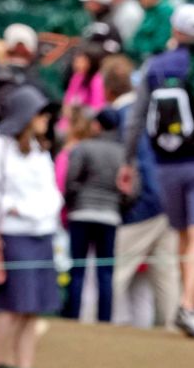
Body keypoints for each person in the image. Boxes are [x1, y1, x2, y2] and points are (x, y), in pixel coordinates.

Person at [118, 3, 194, 339]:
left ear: (175, 31)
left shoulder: (155, 66)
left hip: (165, 165)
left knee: (183, 236)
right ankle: (188, 305)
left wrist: (127, 161)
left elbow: (136, 117)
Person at [0, 85, 62, 368]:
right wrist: (11, 207)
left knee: (32, 310)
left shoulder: (39, 150)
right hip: (14, 235)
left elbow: (51, 189)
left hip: (42, 234)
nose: (46, 119)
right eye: (40, 113)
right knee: (12, 306)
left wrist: (48, 209)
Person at [104, 55, 178, 329]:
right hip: (169, 202)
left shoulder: (125, 116)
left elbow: (141, 164)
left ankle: (99, 326)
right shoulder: (149, 110)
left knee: (117, 271)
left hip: (145, 205)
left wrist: (140, 203)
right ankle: (171, 326)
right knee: (166, 271)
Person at [63, 108, 125, 323]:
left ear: (97, 125)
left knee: (78, 268)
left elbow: (70, 181)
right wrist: (118, 206)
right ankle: (104, 320)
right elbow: (131, 189)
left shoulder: (83, 148)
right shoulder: (123, 153)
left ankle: (72, 317)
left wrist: (74, 203)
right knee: (105, 271)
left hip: (81, 213)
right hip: (110, 216)